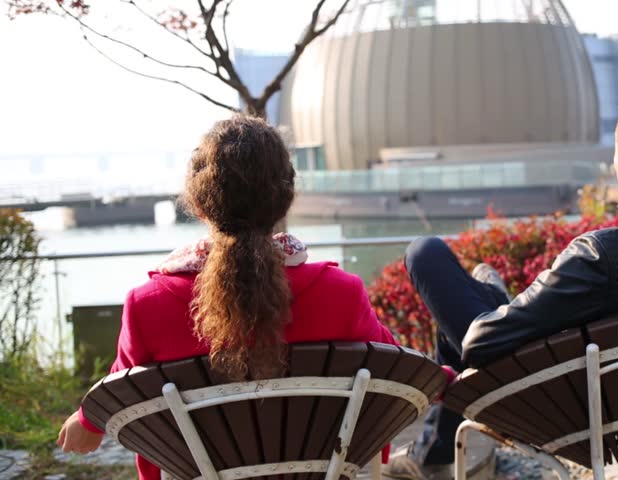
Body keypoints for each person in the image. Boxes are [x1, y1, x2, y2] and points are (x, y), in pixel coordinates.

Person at [384, 96, 618, 479]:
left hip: (568, 412)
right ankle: (432, 451)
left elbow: (479, 345)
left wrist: (493, 307)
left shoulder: (600, 256)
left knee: (425, 253)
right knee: (484, 293)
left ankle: (432, 451)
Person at [56, 115, 401, 480]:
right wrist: (447, 380)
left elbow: (121, 388)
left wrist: (87, 421)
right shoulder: (340, 293)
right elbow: (393, 372)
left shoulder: (148, 305)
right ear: (285, 201)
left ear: (200, 205)